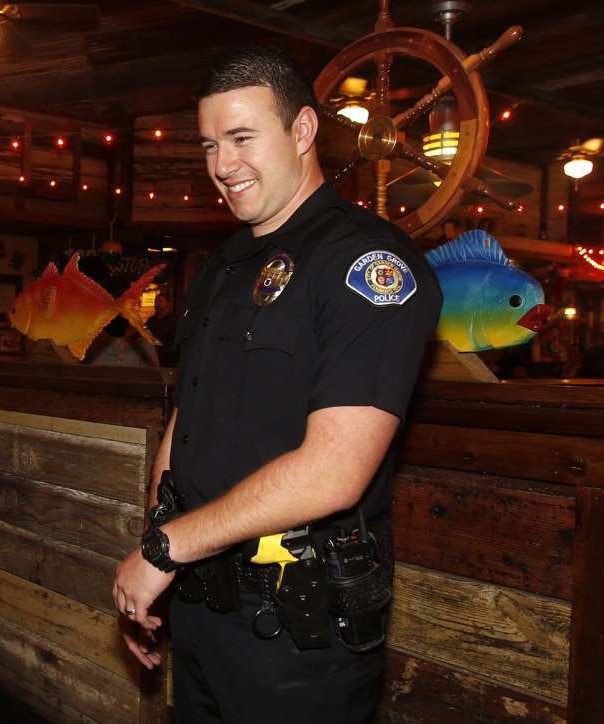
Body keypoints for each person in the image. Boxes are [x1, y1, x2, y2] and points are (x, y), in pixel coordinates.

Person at [112, 45, 442, 723]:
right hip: (201, 604)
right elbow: (187, 422)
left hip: (298, 628)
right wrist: (159, 550)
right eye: (209, 144)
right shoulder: (222, 267)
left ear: (302, 130)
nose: (221, 165)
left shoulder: (366, 263)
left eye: (240, 138)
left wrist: (164, 550)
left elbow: (334, 473)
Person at [146, 292, 179, 367]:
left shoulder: (174, 321)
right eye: (156, 301)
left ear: (167, 304)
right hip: (152, 362)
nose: (158, 304)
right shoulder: (151, 321)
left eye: (161, 301)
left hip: (169, 363)